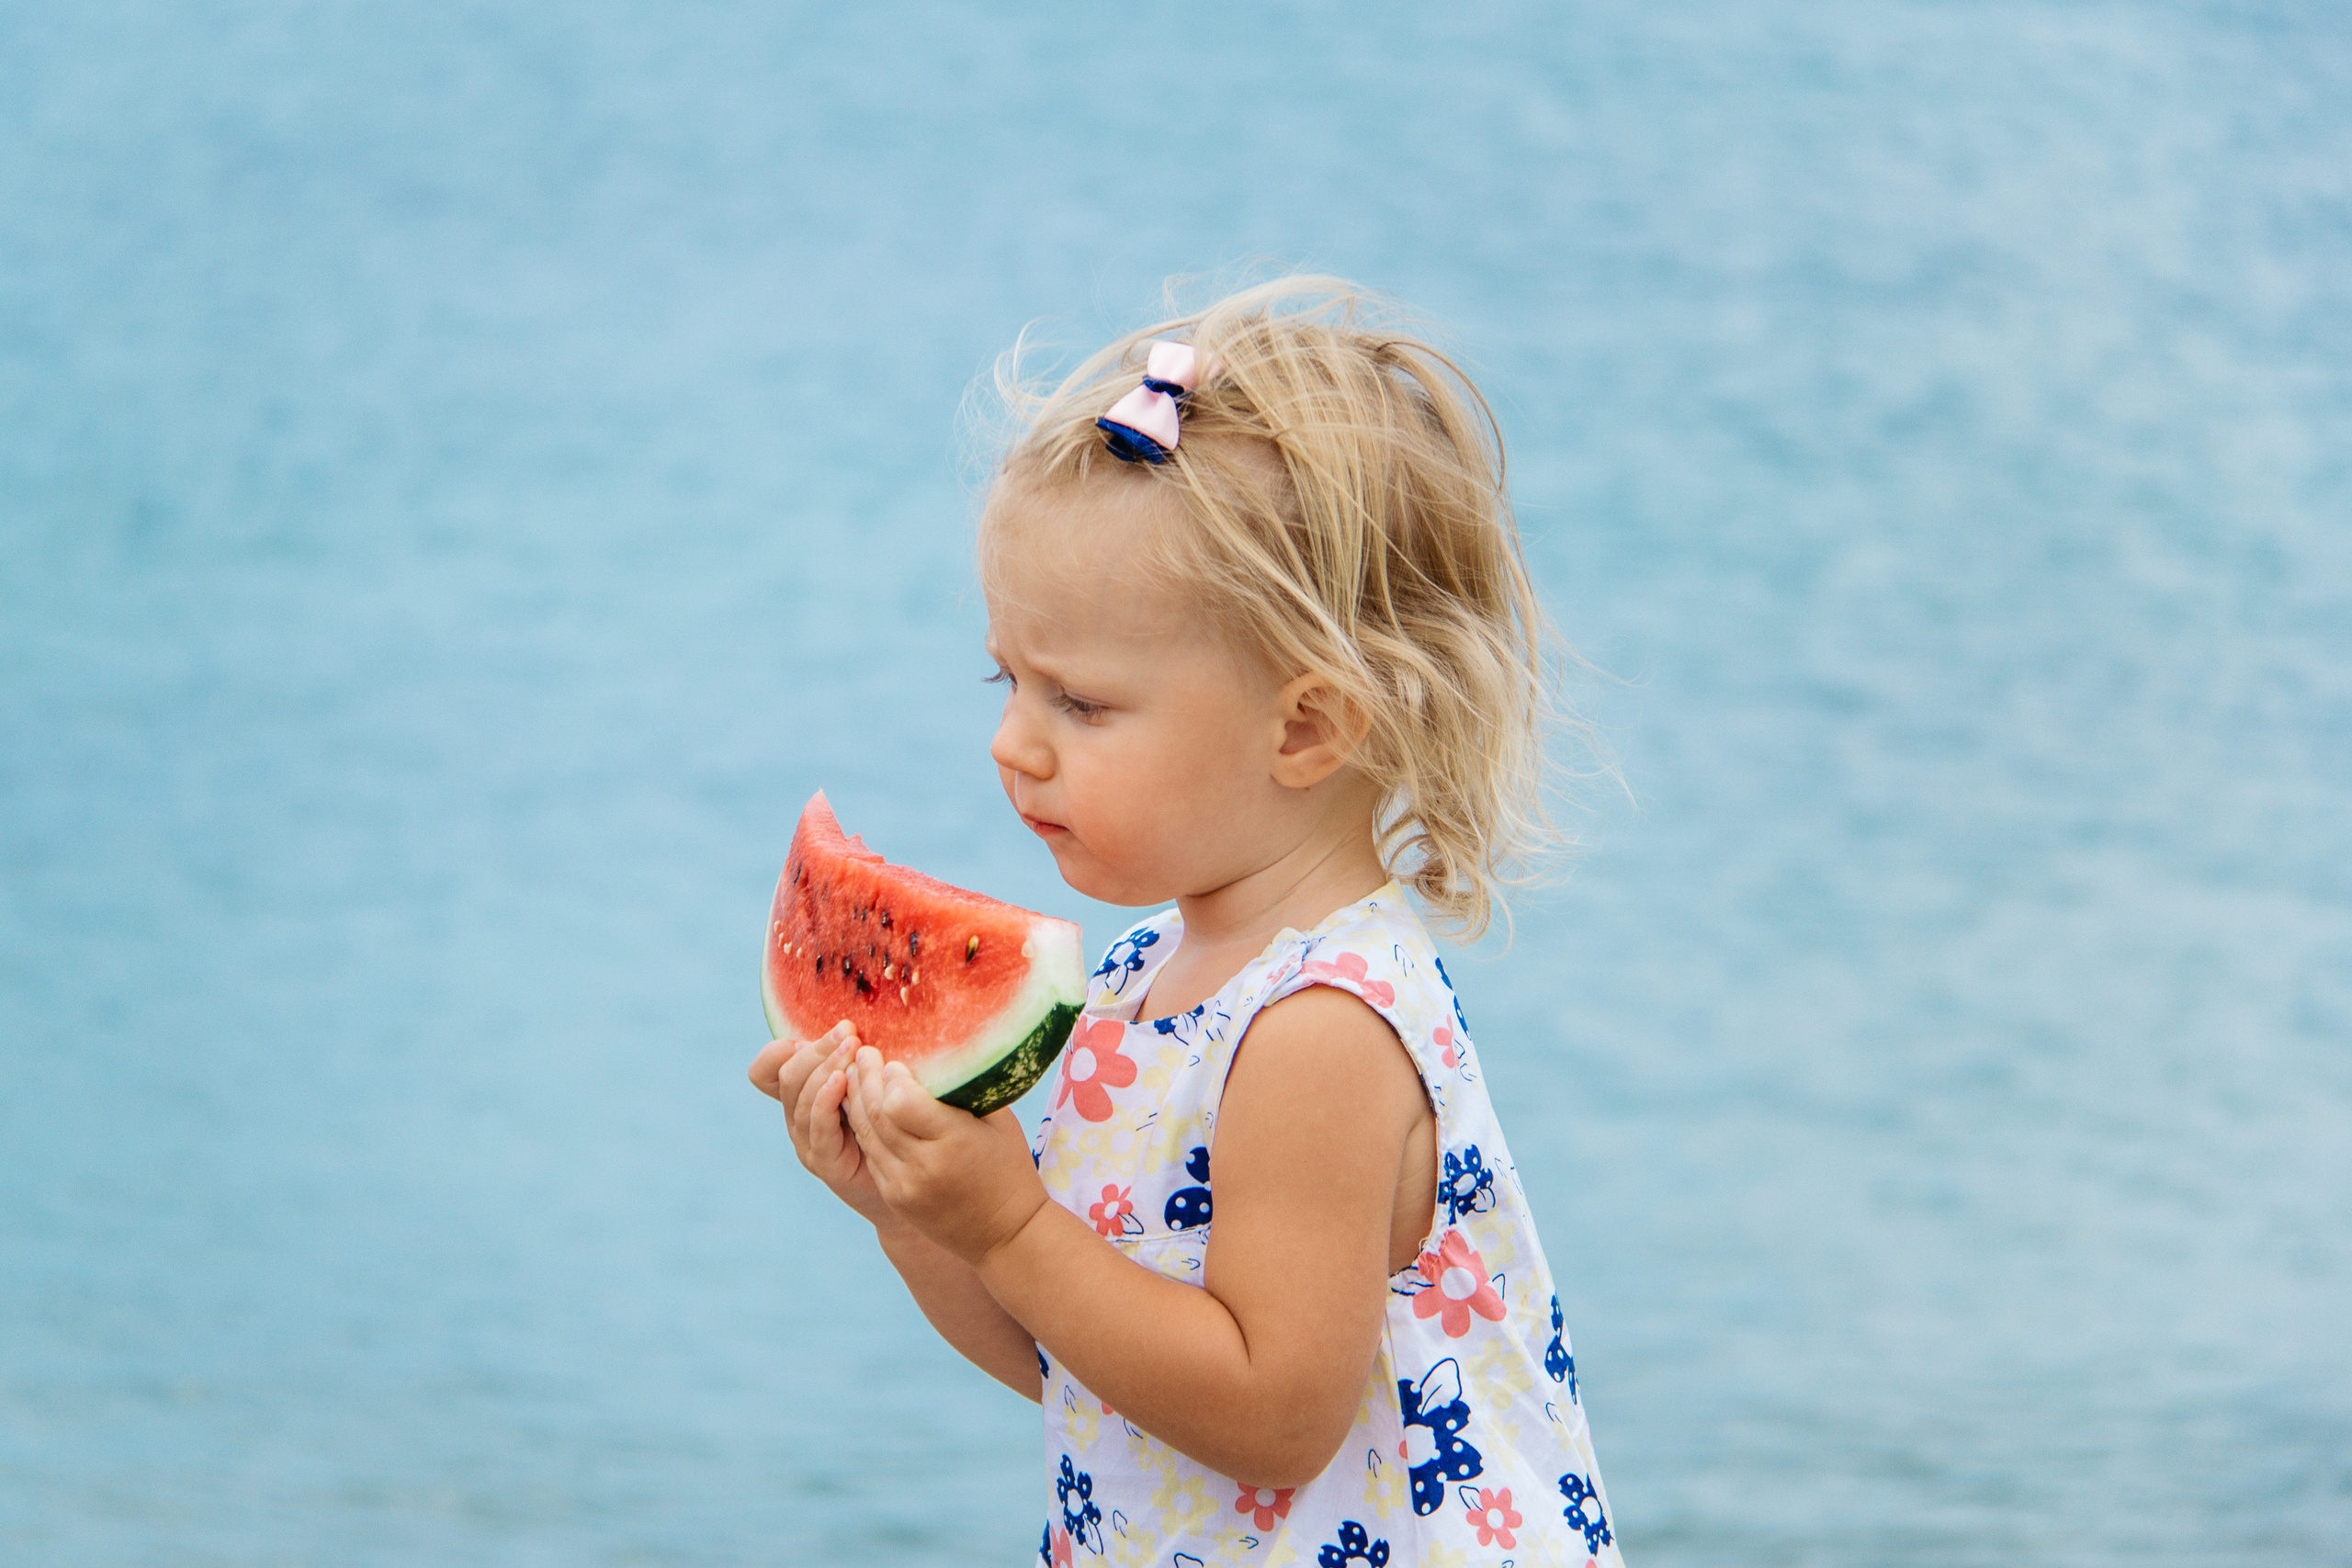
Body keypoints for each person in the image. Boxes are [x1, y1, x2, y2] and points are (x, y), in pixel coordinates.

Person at [749, 277, 1623, 1565]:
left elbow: (1273, 1418)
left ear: (1308, 727)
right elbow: (1079, 1368)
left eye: (1082, 705)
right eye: (1009, 680)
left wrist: (1007, 1221)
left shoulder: (1320, 1030)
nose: (1012, 744)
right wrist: (917, 1213)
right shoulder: (1141, 977)